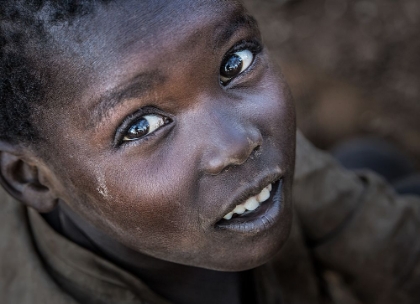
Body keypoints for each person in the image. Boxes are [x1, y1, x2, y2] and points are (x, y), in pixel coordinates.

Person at [0, 1, 419, 303]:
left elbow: (396, 250)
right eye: (141, 127)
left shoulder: (245, 152)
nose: (236, 144)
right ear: (30, 176)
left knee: (375, 161)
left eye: (234, 63)